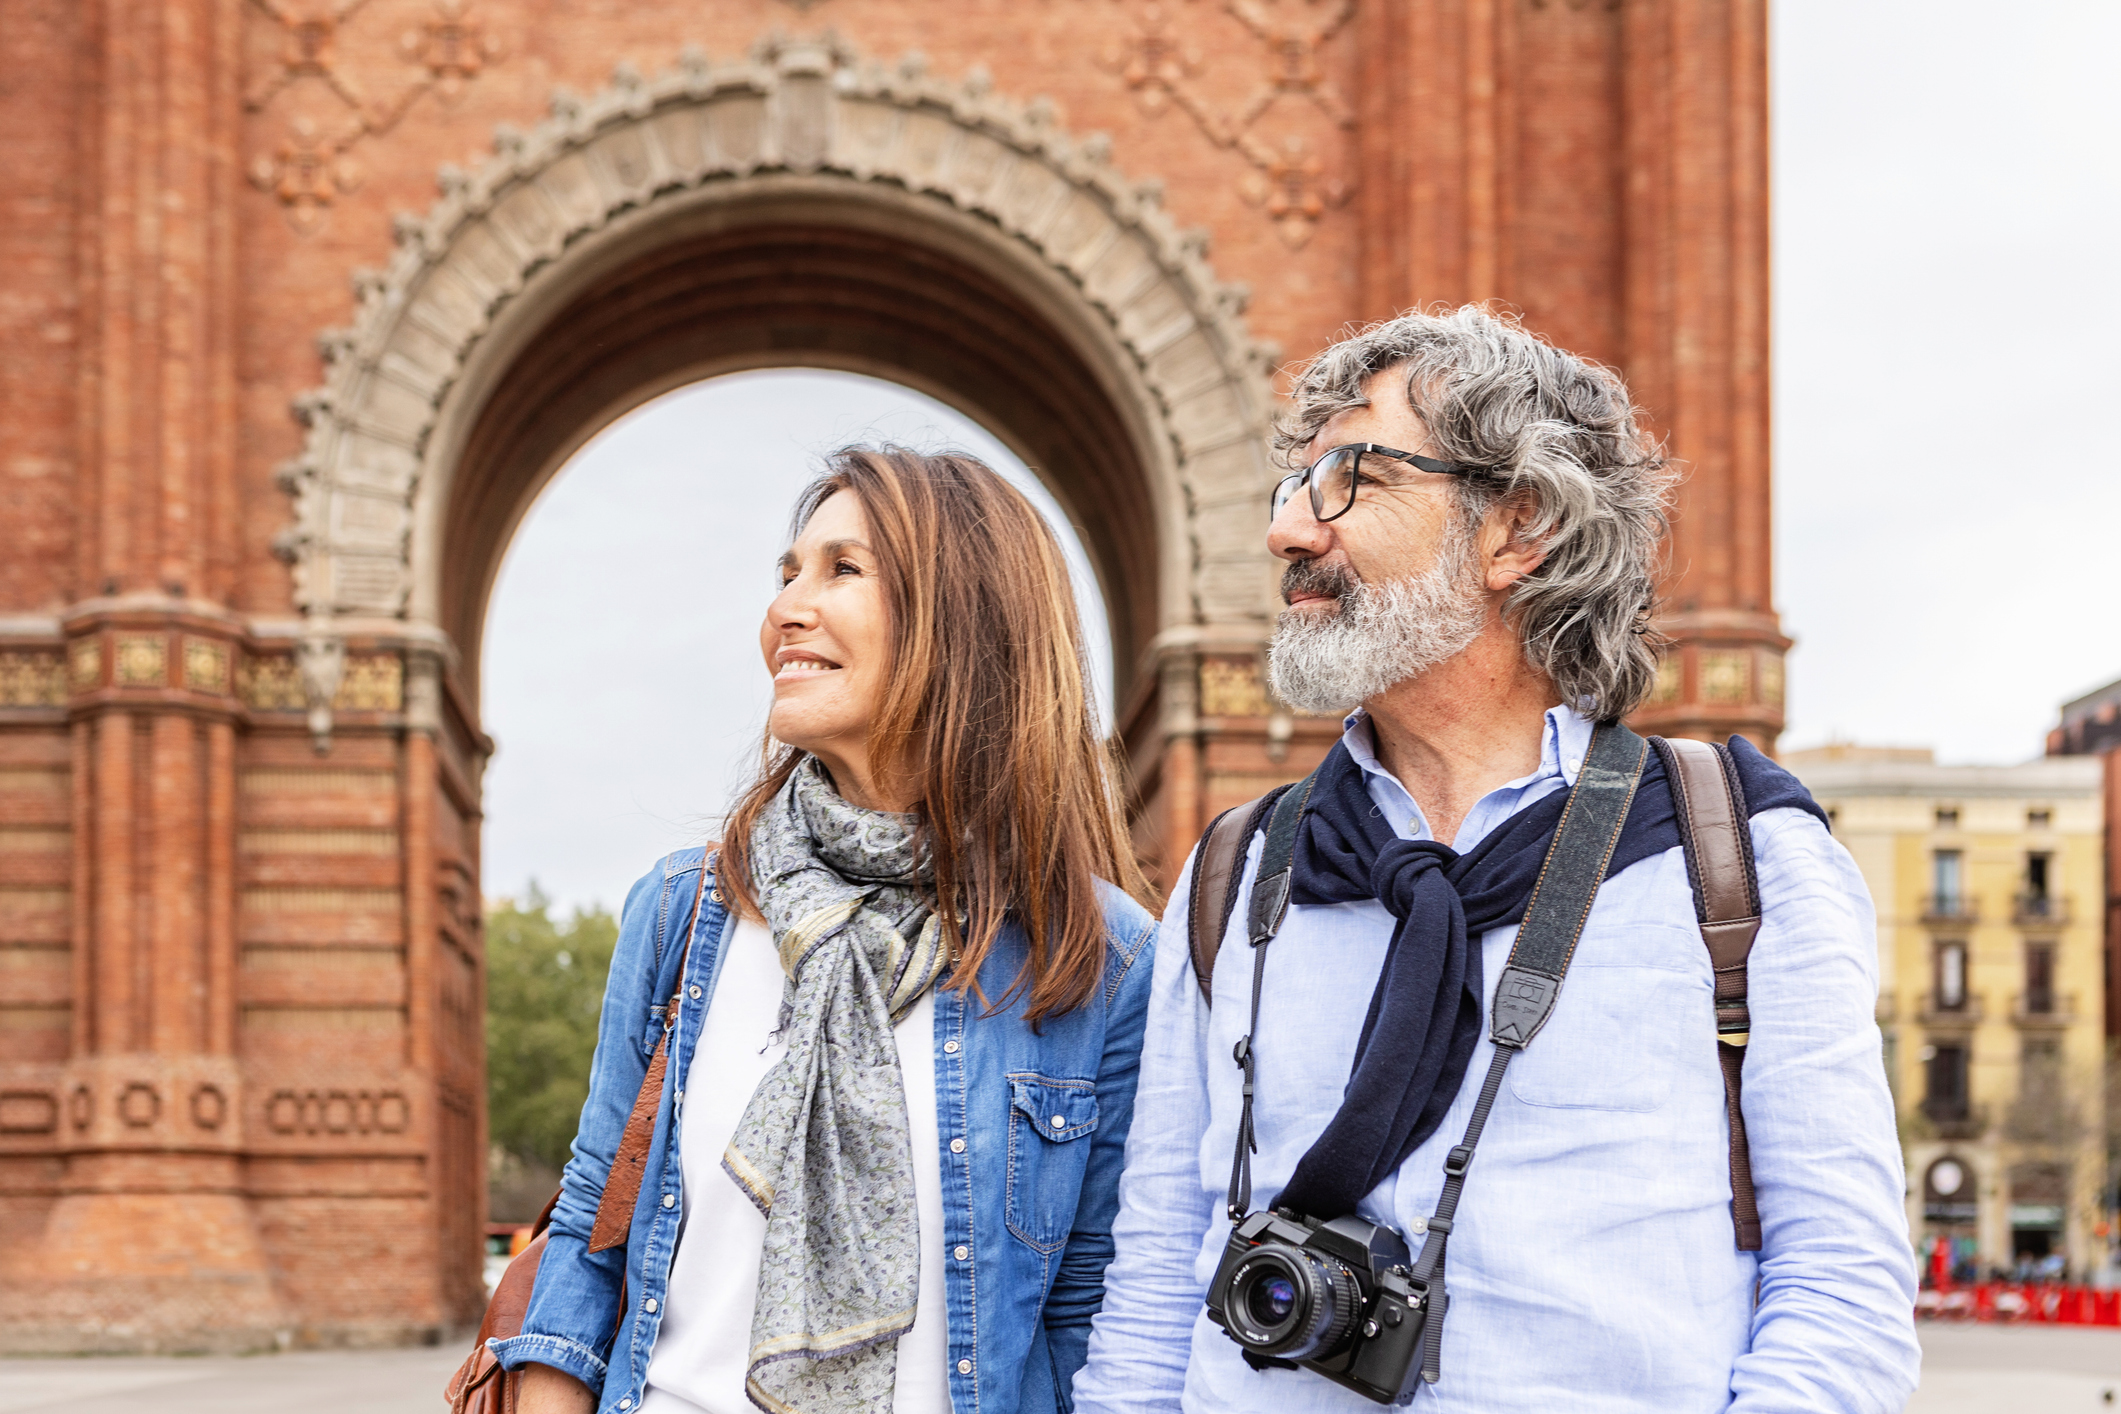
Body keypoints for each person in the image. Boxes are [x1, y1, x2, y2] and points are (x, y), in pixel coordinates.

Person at [1071, 308, 1920, 1412]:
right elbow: (1149, 1292)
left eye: (1352, 477)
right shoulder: (1234, 877)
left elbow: (1843, 1294)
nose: (1290, 531)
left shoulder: (1740, 864)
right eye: (1292, 485)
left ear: (1516, 526)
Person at [494, 447, 1159, 1414]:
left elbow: (1093, 1314)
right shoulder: (686, 910)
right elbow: (593, 1233)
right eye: (786, 574)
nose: (786, 609)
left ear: (964, 619)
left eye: (841, 570)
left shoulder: (1099, 959)